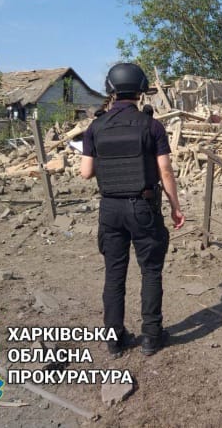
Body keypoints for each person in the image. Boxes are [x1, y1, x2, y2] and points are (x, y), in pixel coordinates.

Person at [80, 62, 185, 358]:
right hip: (143, 207)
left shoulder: (95, 127)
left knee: (114, 275)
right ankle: (151, 337)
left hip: (110, 209)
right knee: (150, 272)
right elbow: (165, 171)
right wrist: (176, 207)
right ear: (141, 90)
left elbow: (86, 172)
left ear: (110, 89)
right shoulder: (152, 126)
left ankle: (114, 340)